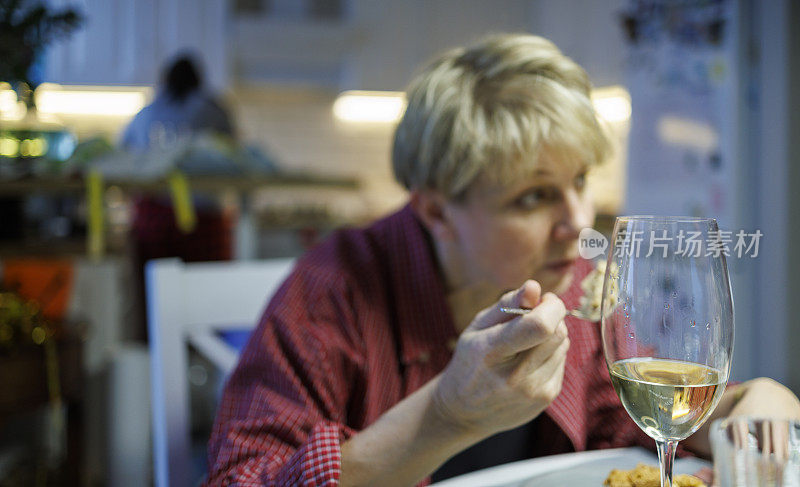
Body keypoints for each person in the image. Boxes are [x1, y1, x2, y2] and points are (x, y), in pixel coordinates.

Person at [205, 34, 800, 486]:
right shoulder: (331, 290)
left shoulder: (572, 284)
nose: (577, 222)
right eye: (534, 196)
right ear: (436, 212)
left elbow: (620, 419)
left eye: (581, 181)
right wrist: (443, 416)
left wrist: (738, 409)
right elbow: (242, 476)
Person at [120, 53, 234, 151]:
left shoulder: (146, 112)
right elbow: (232, 145)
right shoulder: (212, 110)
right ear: (198, 80)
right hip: (199, 175)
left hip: (150, 174)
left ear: (165, 80)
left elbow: (123, 146)